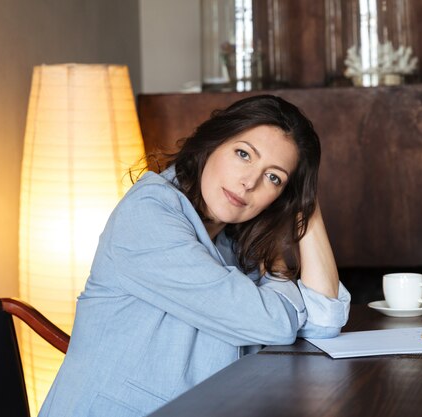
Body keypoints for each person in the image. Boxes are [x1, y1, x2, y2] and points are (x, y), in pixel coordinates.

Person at [39, 94, 351, 417]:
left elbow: (324, 321)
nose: (249, 183)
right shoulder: (148, 216)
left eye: (274, 178)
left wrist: (305, 203)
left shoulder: (230, 241)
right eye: (243, 154)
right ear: (213, 141)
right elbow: (274, 322)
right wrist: (279, 271)